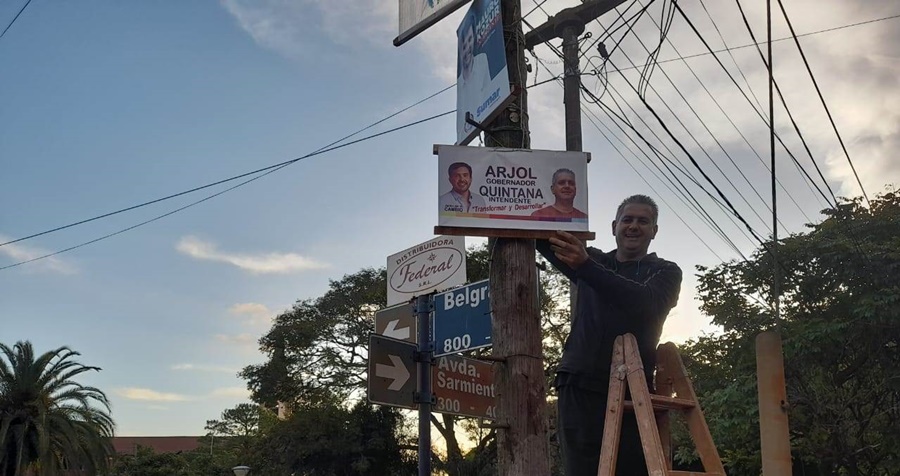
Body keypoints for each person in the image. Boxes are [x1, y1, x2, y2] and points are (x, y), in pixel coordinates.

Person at [537, 194, 682, 476]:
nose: (634, 226)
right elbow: (541, 235)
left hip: (633, 389)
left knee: (632, 469)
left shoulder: (665, 271)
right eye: (627, 219)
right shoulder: (592, 260)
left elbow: (643, 302)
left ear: (654, 230)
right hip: (578, 384)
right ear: (614, 226)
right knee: (581, 470)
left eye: (643, 221)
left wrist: (586, 267)